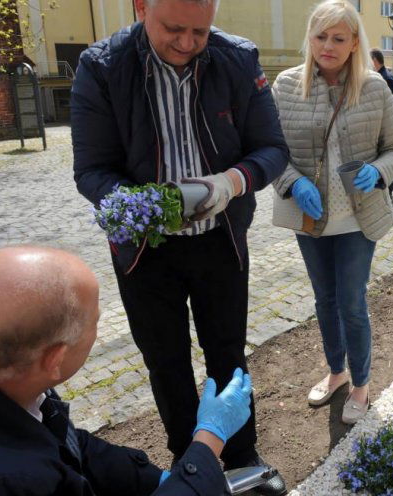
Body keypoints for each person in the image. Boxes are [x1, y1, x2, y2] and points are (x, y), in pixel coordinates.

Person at [70, 0, 289, 493]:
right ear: (140, 6)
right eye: (173, 29)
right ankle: (188, 467)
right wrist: (146, 207)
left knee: (227, 352)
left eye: (200, 31)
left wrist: (231, 183)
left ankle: (241, 457)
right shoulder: (102, 67)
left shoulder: (238, 58)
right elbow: (92, 170)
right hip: (145, 249)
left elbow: (272, 148)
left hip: (220, 240)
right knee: (165, 359)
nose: (188, 43)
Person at [0, 246, 253, 496]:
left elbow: (60, 437)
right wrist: (208, 442)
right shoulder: (12, 482)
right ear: (55, 359)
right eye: (96, 319)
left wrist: (152, 480)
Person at [270, 0, 393, 425]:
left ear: (353, 44)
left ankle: (361, 384)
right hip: (310, 217)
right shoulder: (286, 85)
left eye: (338, 38)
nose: (328, 45)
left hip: (357, 216)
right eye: (320, 36)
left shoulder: (374, 87)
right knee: (324, 301)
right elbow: (272, 153)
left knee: (351, 302)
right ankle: (335, 372)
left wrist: (378, 171)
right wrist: (293, 183)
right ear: (309, 38)